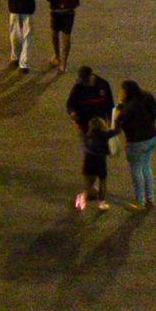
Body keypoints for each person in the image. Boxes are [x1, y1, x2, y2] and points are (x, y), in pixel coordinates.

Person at [67, 67, 115, 212]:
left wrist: (111, 123)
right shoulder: (78, 87)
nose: (84, 84)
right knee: (89, 158)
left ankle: (91, 189)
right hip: (85, 130)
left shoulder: (103, 85)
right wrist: (73, 113)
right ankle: (90, 188)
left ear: (92, 76)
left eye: (86, 81)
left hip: (100, 129)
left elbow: (110, 106)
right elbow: (70, 104)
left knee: (96, 158)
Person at [118, 79, 156, 209]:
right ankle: (150, 199)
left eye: (122, 90)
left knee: (136, 170)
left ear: (127, 92)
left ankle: (139, 202)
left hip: (137, 142)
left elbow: (120, 124)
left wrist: (120, 108)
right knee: (146, 167)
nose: (120, 93)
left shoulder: (128, 108)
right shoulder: (147, 97)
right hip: (151, 137)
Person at [1, 0, 39, 72]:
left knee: (14, 35)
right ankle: (24, 63)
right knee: (27, 36)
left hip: (14, 9)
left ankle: (14, 57)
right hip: (28, 9)